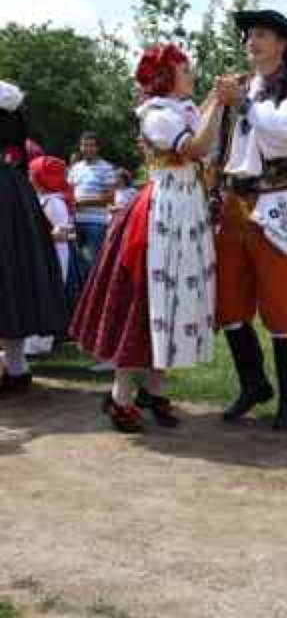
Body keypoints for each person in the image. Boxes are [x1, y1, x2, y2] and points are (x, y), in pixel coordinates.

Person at [70, 44, 225, 433]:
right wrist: (219, 103)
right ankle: (121, 397)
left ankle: (153, 391)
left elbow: (200, 138)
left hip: (186, 209)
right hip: (163, 213)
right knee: (145, 301)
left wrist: (212, 99)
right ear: (165, 77)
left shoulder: (181, 110)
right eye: (184, 69)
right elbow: (196, 147)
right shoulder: (157, 116)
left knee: (173, 302)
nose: (190, 73)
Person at [214, 9, 287, 430]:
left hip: (276, 203)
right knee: (230, 303)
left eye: (260, 34)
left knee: (278, 303)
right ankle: (254, 383)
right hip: (233, 205)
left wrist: (245, 105)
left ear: (282, 43)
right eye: (247, 36)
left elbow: (286, 135)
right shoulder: (242, 88)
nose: (250, 42)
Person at [0, 81, 67, 393]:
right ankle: (17, 368)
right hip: (16, 199)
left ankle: (15, 368)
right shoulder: (19, 177)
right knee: (15, 281)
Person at [25, 155, 75, 356]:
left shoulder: (54, 202)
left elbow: (63, 234)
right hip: (40, 256)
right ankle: (30, 342)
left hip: (51, 257)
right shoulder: (40, 199)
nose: (28, 176)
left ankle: (39, 344)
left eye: (31, 172)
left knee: (45, 296)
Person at [68, 131, 116, 276]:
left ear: (97, 148)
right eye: (84, 145)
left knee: (94, 264)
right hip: (75, 221)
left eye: (91, 145)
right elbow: (69, 191)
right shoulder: (76, 168)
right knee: (77, 264)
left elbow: (110, 198)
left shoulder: (106, 168)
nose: (87, 148)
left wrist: (83, 202)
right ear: (80, 147)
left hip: (96, 223)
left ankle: (95, 297)